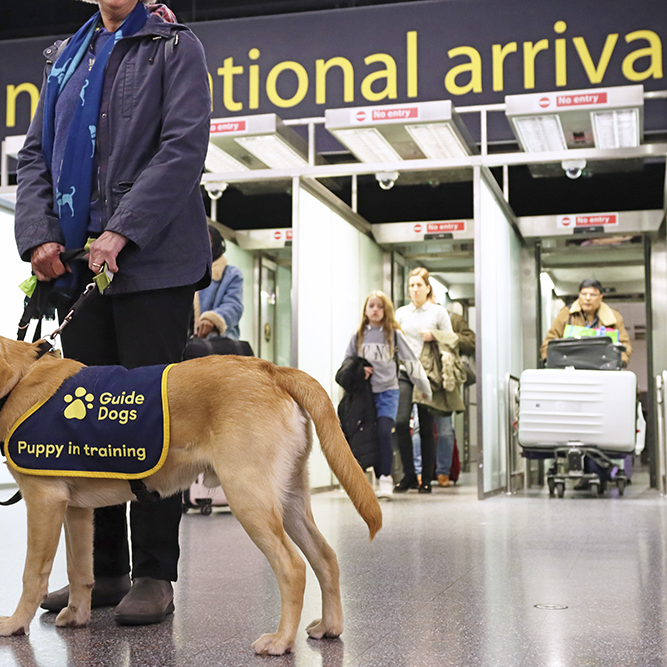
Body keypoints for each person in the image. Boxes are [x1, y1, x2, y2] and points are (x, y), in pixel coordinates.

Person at [14, 0, 211, 625]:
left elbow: (183, 148)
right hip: (81, 265)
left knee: (151, 417)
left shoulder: (173, 46)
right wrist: (40, 235)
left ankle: (154, 572)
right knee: (87, 422)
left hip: (154, 262)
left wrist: (123, 230)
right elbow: (35, 156)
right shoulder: (65, 58)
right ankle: (101, 574)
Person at [342, 291, 431, 496]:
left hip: (388, 392)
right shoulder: (358, 335)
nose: (375, 310)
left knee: (384, 431)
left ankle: (385, 478)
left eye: (380, 306)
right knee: (367, 435)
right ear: (365, 310)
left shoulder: (394, 334)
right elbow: (347, 363)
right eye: (371, 306)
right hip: (364, 395)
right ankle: (362, 479)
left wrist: (425, 388)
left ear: (386, 310)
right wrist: (359, 371)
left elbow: (411, 361)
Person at [395, 268, 462, 493]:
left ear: (427, 288)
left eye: (419, 285)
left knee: (425, 426)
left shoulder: (438, 312)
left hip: (428, 374)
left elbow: (452, 340)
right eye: (412, 285)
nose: (415, 289)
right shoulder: (401, 313)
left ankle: (426, 479)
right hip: (405, 372)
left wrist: (435, 335)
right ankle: (409, 475)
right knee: (401, 422)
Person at [541, 278, 632, 366]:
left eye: (593, 295)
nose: (587, 298)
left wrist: (620, 361)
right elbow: (549, 341)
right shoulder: (566, 314)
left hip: (603, 369)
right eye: (584, 294)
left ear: (600, 297)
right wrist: (549, 360)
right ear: (579, 296)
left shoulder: (613, 317)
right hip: (571, 368)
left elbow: (625, 345)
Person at [433, 309, 475, 487]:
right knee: (419, 428)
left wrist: (444, 336)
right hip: (424, 375)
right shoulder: (416, 318)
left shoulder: (454, 319)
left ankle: (443, 472)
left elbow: (471, 341)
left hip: (446, 378)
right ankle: (420, 472)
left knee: (444, 428)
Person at [193, 225, 244, 341]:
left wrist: (212, 319)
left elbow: (234, 306)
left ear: (216, 244)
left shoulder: (231, 274)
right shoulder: (186, 273)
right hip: (187, 344)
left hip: (218, 344)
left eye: (207, 241)